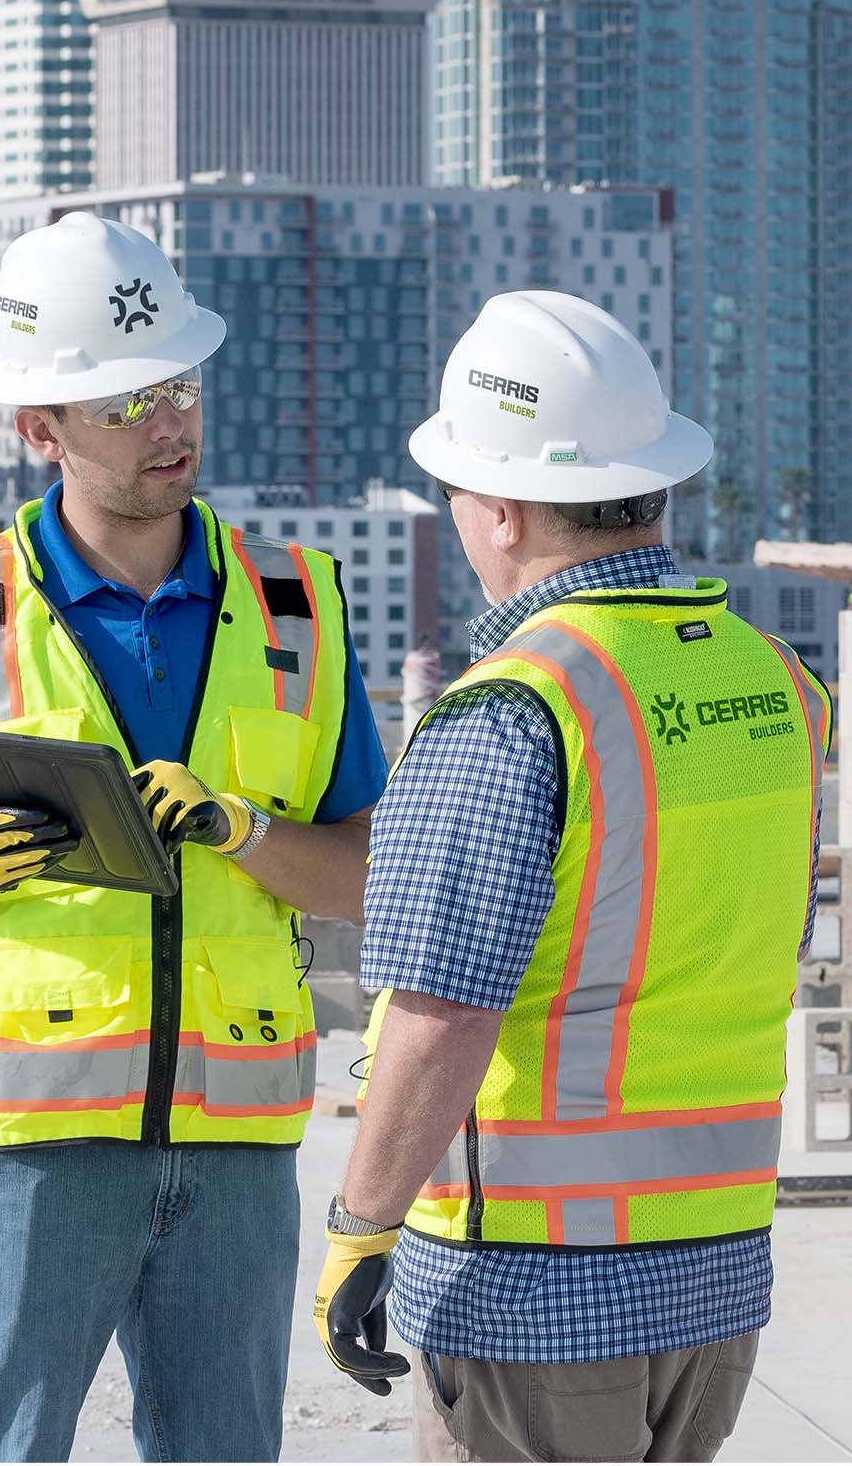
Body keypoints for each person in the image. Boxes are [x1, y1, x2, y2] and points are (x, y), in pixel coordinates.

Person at [0, 211, 387, 1465]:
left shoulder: (297, 603)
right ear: (41, 427)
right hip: (22, 1155)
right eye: (127, 400)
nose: (170, 423)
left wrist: (247, 831)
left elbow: (365, 871)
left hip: (236, 1149)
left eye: (179, 385)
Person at [313, 291, 830, 1464]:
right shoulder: (779, 687)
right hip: (716, 1279)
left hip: (533, 1296)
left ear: (498, 507)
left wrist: (361, 1224)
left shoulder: (512, 707)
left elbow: (441, 1011)